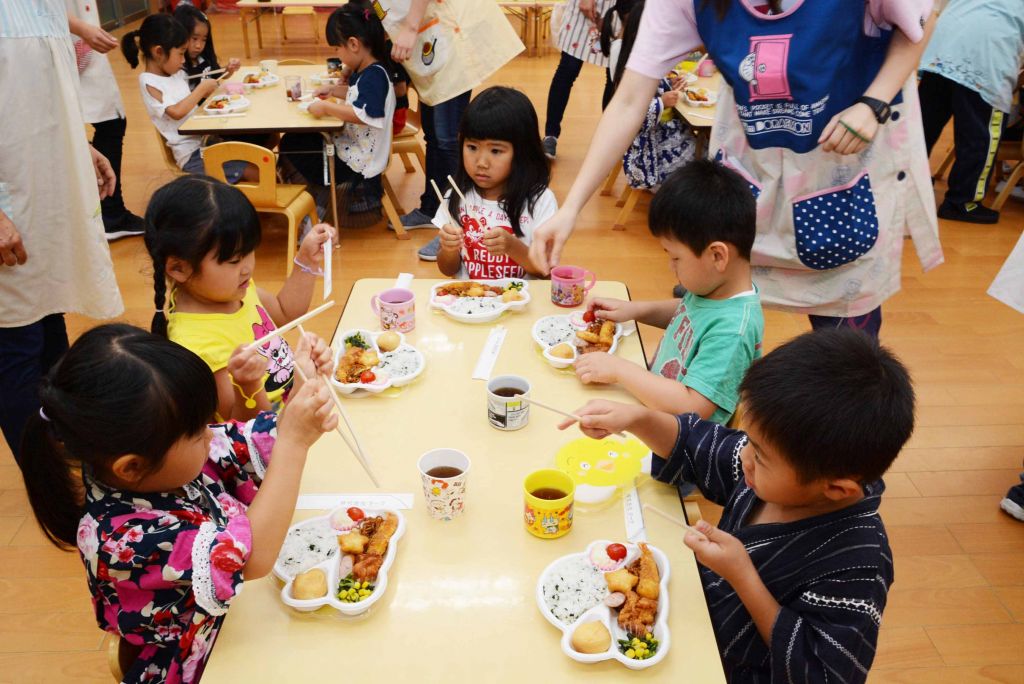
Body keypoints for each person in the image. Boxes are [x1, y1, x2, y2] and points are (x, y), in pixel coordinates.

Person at [530, 0, 944, 340]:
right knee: (715, 307)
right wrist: (571, 209)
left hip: (842, 171)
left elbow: (919, 24)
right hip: (752, 167)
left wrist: (874, 101)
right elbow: (628, 100)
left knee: (845, 345)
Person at [562, 328, 916, 682]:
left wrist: (743, 577)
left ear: (837, 489)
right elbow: (696, 444)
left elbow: (822, 673)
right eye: (749, 440)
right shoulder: (775, 469)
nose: (745, 456)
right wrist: (638, 419)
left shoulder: (859, 565)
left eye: (759, 456)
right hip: (688, 620)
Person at [17, 324, 336, 684]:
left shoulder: (158, 459)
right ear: (131, 466)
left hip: (237, 618)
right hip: (200, 663)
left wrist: (304, 382)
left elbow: (259, 442)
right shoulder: (125, 539)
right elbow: (253, 558)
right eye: (197, 432)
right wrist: (294, 442)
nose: (210, 434)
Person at [0, 0, 123, 462]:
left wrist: (80, 146)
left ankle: (67, 453)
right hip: (10, 201)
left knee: (51, 319)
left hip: (40, 186)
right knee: (17, 340)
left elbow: (36, 93)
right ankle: (44, 472)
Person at [576, 160, 762, 424]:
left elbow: (692, 407)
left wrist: (619, 370)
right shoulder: (715, 288)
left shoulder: (734, 331)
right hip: (658, 406)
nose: (670, 266)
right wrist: (635, 310)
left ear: (717, 256)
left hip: (681, 439)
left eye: (675, 258)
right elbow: (691, 313)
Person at [144, 176, 336, 422]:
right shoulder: (196, 343)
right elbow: (244, 428)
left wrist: (306, 260)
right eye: (235, 260)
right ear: (178, 268)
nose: (247, 268)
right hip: (275, 431)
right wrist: (249, 384)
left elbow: (285, 312)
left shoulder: (232, 289)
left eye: (250, 252)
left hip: (300, 399)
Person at [369, 0, 523, 259]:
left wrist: (410, 28)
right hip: (428, 41)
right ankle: (432, 208)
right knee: (433, 136)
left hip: (443, 37)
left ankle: (457, 227)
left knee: (448, 139)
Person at [279, 3, 396, 222]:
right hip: (353, 147)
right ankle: (316, 197)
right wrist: (333, 91)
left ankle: (316, 203)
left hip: (358, 161)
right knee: (297, 139)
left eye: (336, 49)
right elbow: (357, 96)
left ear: (353, 44)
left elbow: (364, 115)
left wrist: (326, 107)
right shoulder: (369, 71)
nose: (337, 54)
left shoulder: (374, 76)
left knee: (292, 145)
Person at [918, 0, 1024, 224]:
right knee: (980, 135)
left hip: (942, 45)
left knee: (923, 126)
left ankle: (910, 183)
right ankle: (962, 202)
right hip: (986, 54)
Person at [432, 87, 555, 279]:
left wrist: (512, 247)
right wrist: (448, 249)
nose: (481, 163)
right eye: (472, 147)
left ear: (522, 151)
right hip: (469, 295)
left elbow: (545, 272)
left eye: (496, 151)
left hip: (522, 297)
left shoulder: (540, 201)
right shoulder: (456, 196)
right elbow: (447, 269)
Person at [120, 14, 247, 181]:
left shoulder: (176, 73)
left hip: (205, 142)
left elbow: (202, 84)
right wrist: (200, 90)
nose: (183, 60)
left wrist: (226, 72)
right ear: (159, 52)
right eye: (180, 54)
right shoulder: (149, 81)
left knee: (255, 151)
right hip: (191, 155)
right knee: (254, 168)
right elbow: (176, 112)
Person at [67, 0, 147, 241]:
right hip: (66, 40)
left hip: (80, 36)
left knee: (111, 120)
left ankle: (108, 211)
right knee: (106, 123)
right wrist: (81, 27)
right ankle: (109, 213)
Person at [607, 1, 694, 190]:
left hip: (661, 136)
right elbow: (631, 115)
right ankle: (679, 192)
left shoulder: (640, 61)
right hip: (648, 153)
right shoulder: (630, 71)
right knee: (702, 152)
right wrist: (662, 102)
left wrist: (669, 85)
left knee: (701, 144)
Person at [541, 0, 617, 160]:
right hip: (583, 13)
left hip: (618, 10)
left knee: (614, 77)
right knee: (568, 69)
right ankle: (550, 135)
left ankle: (609, 140)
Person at [174, 4, 240, 85]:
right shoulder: (178, 68)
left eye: (204, 40)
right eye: (194, 38)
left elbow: (218, 75)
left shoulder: (204, 58)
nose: (199, 46)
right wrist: (202, 90)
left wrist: (228, 70)